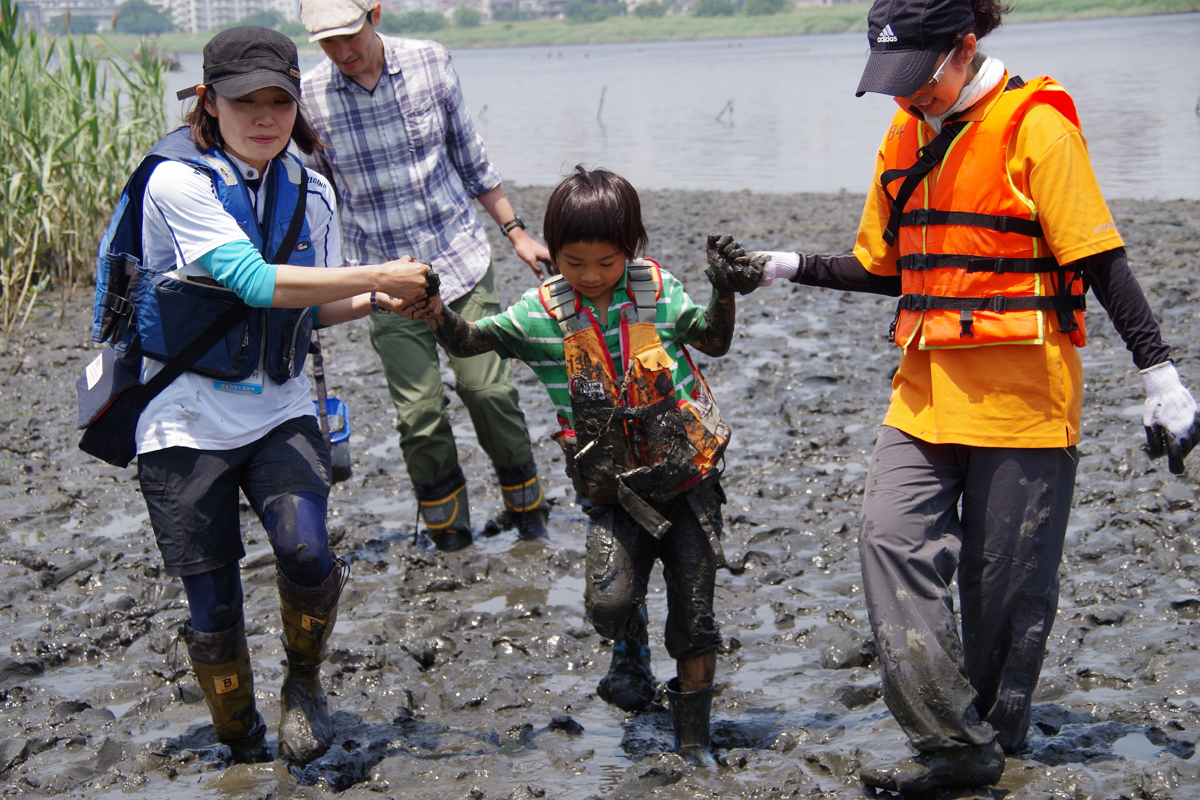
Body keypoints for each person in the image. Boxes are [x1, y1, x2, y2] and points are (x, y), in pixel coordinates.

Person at [711, 0, 1200, 793]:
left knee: (1003, 596)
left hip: (1025, 404)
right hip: (924, 397)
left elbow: (1100, 258)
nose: (908, 96)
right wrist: (786, 263)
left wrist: (1162, 378)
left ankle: (996, 749)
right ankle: (950, 740)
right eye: (894, 81)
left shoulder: (1036, 126)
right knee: (887, 538)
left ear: (965, 48)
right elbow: (886, 266)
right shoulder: (904, 133)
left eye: (920, 76)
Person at [91, 27, 431, 765]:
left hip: (278, 405)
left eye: (280, 100)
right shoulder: (176, 180)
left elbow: (310, 304)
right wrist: (380, 272)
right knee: (214, 609)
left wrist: (379, 297)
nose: (265, 117)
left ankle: (304, 684)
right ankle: (240, 742)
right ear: (210, 103)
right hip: (183, 417)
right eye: (246, 101)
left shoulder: (310, 189)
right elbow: (252, 283)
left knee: (309, 553)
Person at [409, 167, 759, 766]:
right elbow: (470, 341)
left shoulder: (657, 289)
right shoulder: (539, 315)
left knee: (695, 619)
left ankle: (693, 746)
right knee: (608, 605)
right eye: (574, 263)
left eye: (607, 262)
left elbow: (714, 341)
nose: (592, 277)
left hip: (688, 481)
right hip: (613, 495)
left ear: (632, 248)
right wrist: (436, 312)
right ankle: (630, 641)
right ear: (553, 254)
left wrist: (724, 291)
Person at [298, 0, 552, 551]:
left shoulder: (430, 62)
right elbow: (316, 199)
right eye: (327, 43)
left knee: (488, 391)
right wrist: (322, 285)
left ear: (375, 15)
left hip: (459, 261)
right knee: (419, 414)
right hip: (384, 285)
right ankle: (450, 535)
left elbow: (470, 155)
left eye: (350, 35)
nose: (342, 52)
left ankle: (528, 512)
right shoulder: (309, 99)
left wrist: (517, 232)